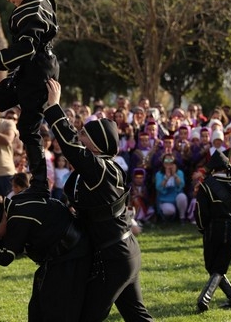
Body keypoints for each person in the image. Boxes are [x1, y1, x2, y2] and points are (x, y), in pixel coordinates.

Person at [44, 78, 153, 321]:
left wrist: (54, 107)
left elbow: (70, 146)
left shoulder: (100, 168)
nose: (79, 138)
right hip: (123, 252)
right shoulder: (102, 169)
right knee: (137, 317)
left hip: (114, 256)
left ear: (95, 143)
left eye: (83, 135)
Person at [0, 0, 60, 197]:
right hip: (29, 70)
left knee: (29, 129)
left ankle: (39, 185)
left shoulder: (33, 13)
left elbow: (26, 48)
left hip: (37, 73)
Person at [0, 194, 91, 321]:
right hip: (59, 260)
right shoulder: (16, 207)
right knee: (37, 310)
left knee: (55, 313)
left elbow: (4, 257)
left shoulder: (17, 217)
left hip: (72, 258)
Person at [195, 150, 231, 312]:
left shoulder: (205, 185)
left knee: (214, 266)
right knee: (218, 267)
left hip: (212, 230)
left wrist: (203, 229)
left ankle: (204, 299)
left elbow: (201, 214)